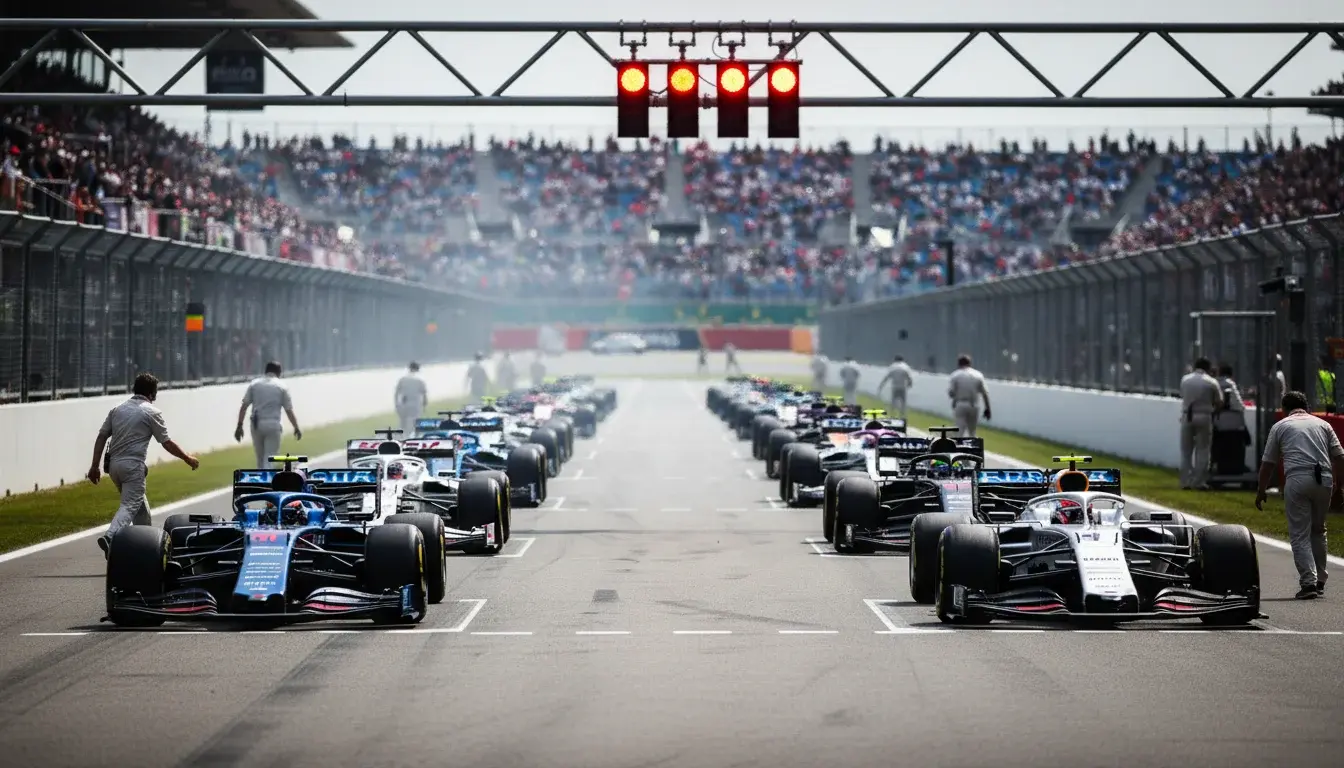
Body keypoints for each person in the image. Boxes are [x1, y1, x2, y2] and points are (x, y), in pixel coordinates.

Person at [87, 372, 199, 557]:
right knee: (130, 505)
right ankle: (111, 537)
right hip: (133, 467)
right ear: (152, 394)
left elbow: (101, 436)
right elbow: (167, 442)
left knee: (142, 511)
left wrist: (94, 466)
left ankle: (144, 550)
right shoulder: (151, 411)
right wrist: (187, 458)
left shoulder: (117, 409)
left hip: (113, 466)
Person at [1255, 390, 1344, 599]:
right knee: (1318, 530)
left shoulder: (1280, 426)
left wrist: (1261, 490)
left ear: (1285, 410)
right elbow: (1339, 456)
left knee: (1299, 533)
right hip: (1324, 478)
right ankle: (1320, 579)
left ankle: (1308, 582)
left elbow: (1268, 463)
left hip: (1297, 478)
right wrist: (1340, 486)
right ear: (1308, 407)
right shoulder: (1324, 424)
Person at [235, 361, 302, 469]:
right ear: (278, 372)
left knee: (260, 459)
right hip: (273, 425)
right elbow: (288, 410)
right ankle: (268, 482)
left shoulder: (255, 384)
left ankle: (261, 482)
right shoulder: (282, 386)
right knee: (269, 459)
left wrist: (239, 426)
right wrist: (296, 427)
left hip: (256, 424)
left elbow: (244, 406)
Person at [1178, 357, 1223, 490]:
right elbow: (1219, 401)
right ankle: (1198, 481)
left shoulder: (1185, 380)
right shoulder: (1211, 382)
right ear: (1208, 368)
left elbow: (1183, 396)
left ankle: (1185, 481)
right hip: (1204, 415)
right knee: (1203, 449)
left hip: (1187, 415)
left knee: (1186, 450)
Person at [948, 354, 991, 438]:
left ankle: (958, 447)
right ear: (970, 363)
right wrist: (988, 408)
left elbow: (951, 393)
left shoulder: (956, 375)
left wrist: (955, 399)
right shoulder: (978, 375)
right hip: (974, 405)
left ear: (959, 364)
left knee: (959, 431)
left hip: (961, 404)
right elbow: (985, 393)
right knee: (972, 432)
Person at [394, 361, 429, 438]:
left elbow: (397, 393)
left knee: (403, 425)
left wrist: (397, 405)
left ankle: (402, 439)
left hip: (404, 404)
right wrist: (424, 406)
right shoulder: (420, 379)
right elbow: (424, 394)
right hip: (416, 405)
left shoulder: (402, 379)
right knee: (414, 426)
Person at [877, 354, 914, 420]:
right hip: (903, 387)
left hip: (895, 387)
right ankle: (902, 417)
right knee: (903, 403)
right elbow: (909, 377)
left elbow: (887, 377)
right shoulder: (905, 366)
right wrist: (910, 384)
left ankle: (892, 416)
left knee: (893, 402)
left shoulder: (893, 366)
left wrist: (881, 386)